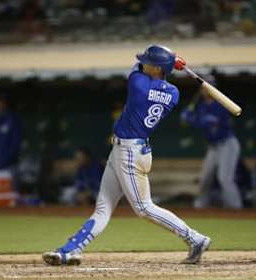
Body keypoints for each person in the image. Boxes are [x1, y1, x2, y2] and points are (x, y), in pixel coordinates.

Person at [43, 44, 211, 266]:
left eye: (150, 62)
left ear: (158, 67)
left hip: (130, 153)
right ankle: (72, 249)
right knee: (103, 207)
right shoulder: (174, 93)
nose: (144, 62)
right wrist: (172, 63)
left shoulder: (138, 83)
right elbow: (152, 74)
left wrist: (171, 61)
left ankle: (195, 238)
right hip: (127, 150)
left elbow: (137, 67)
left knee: (143, 208)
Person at [181, 82, 242, 208]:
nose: (204, 90)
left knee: (224, 179)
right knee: (204, 179)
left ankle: (236, 208)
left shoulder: (220, 105)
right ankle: (201, 207)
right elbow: (196, 121)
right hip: (213, 147)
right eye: (203, 88)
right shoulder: (202, 106)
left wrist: (191, 119)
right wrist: (187, 116)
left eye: (207, 87)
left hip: (227, 144)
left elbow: (207, 123)